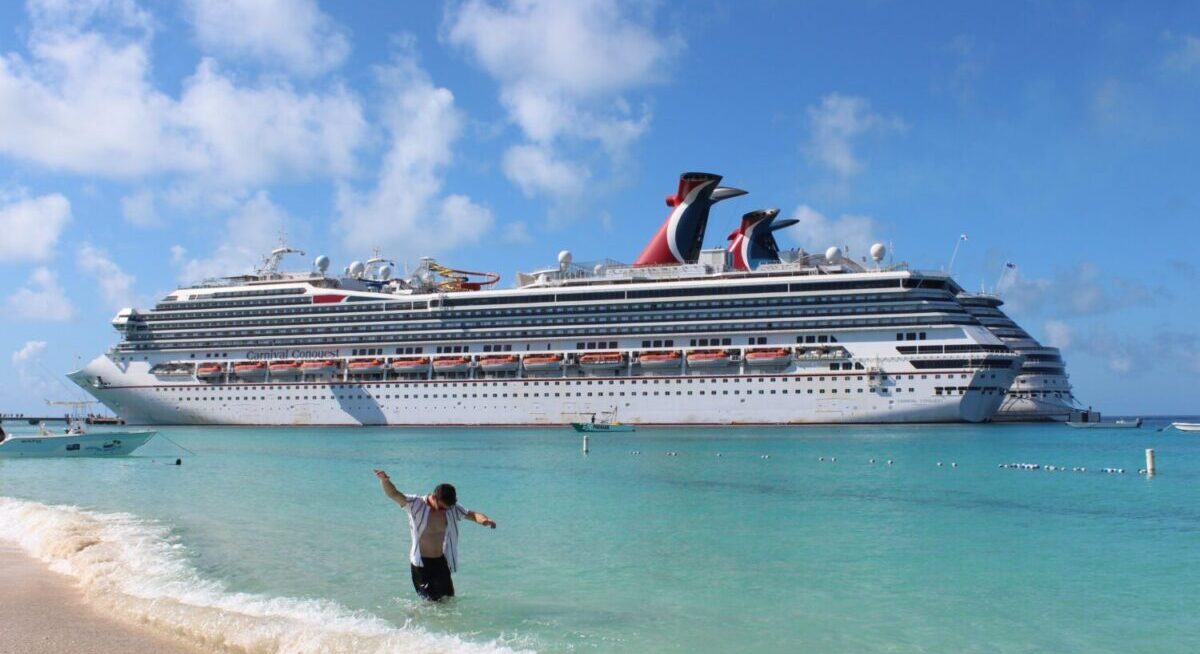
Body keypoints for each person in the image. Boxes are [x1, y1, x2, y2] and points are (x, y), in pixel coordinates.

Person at [373, 469, 496, 601]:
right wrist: (385, 481)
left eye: (448, 507)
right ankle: (415, 619)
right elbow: (394, 494)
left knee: (448, 600)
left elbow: (472, 514)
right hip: (421, 564)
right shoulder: (416, 504)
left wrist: (484, 520)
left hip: (440, 562)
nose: (446, 510)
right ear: (434, 497)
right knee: (430, 604)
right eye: (443, 507)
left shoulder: (450, 507)